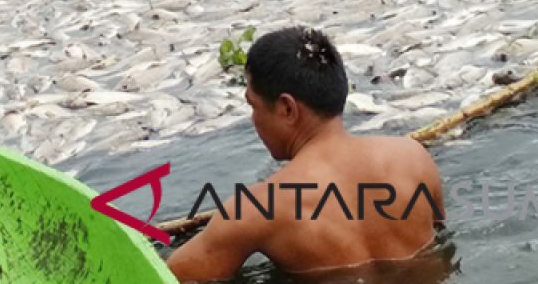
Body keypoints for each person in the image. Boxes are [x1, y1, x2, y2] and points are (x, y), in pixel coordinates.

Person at [167, 27, 445, 282]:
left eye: (254, 106)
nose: (254, 119)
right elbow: (441, 234)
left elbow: (166, 278)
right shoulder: (413, 158)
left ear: (287, 108)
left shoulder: (256, 208)